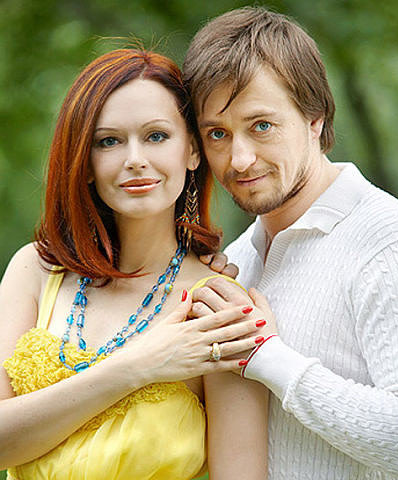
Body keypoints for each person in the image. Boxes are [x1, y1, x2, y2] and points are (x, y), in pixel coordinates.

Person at [0, 48, 269, 479]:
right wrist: (137, 366)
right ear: (85, 162)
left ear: (192, 151)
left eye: (156, 136)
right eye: (109, 141)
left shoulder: (217, 307)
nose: (135, 159)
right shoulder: (36, 269)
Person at [183, 6, 398, 480]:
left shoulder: (387, 239)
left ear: (314, 117)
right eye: (218, 134)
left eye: (261, 125)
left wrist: (267, 356)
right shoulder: (236, 262)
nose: (240, 159)